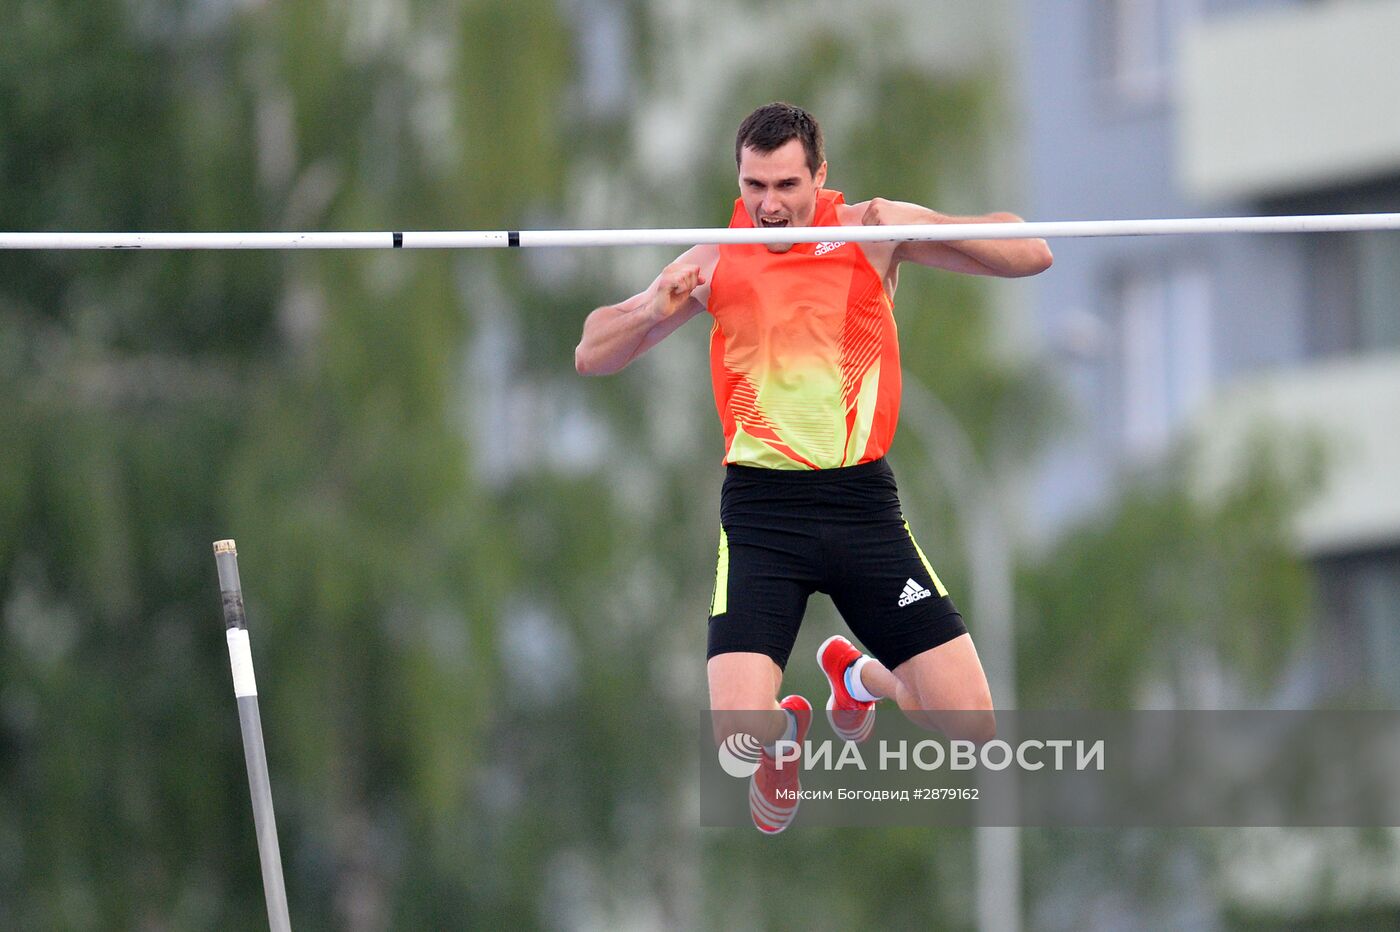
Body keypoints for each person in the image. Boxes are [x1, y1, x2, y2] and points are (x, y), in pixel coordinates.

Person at [574, 102, 1052, 833]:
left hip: (862, 508)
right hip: (765, 517)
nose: (769, 206)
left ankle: (859, 678)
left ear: (820, 177)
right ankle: (784, 740)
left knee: (972, 727)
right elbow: (591, 352)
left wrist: (916, 226)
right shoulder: (711, 259)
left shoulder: (868, 232)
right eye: (754, 186)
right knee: (735, 734)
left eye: (787, 186)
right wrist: (647, 310)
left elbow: (1032, 253)